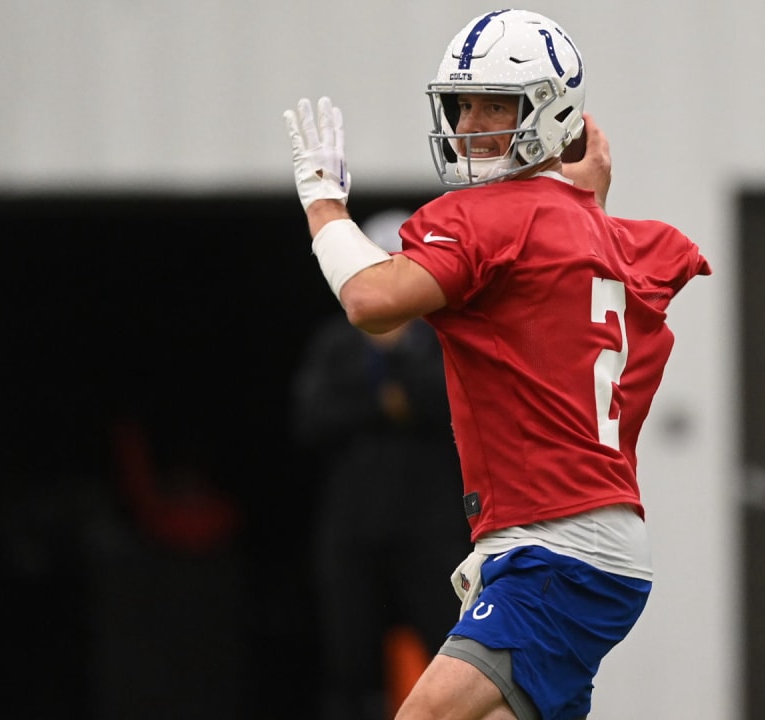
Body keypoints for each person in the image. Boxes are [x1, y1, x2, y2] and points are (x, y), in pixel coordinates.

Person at [282, 9, 711, 720]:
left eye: (497, 103)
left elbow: (370, 300)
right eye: (464, 103)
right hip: (583, 544)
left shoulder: (494, 217)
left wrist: (322, 202)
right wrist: (587, 196)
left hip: (555, 547)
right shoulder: (605, 234)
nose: (472, 122)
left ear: (552, 111)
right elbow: (557, 276)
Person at [293, 212, 468, 720]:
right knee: (349, 663)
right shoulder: (336, 342)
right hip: (352, 529)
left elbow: (454, 406)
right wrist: (385, 404)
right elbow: (309, 417)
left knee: (450, 655)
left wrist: (383, 398)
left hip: (430, 528)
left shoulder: (447, 337)